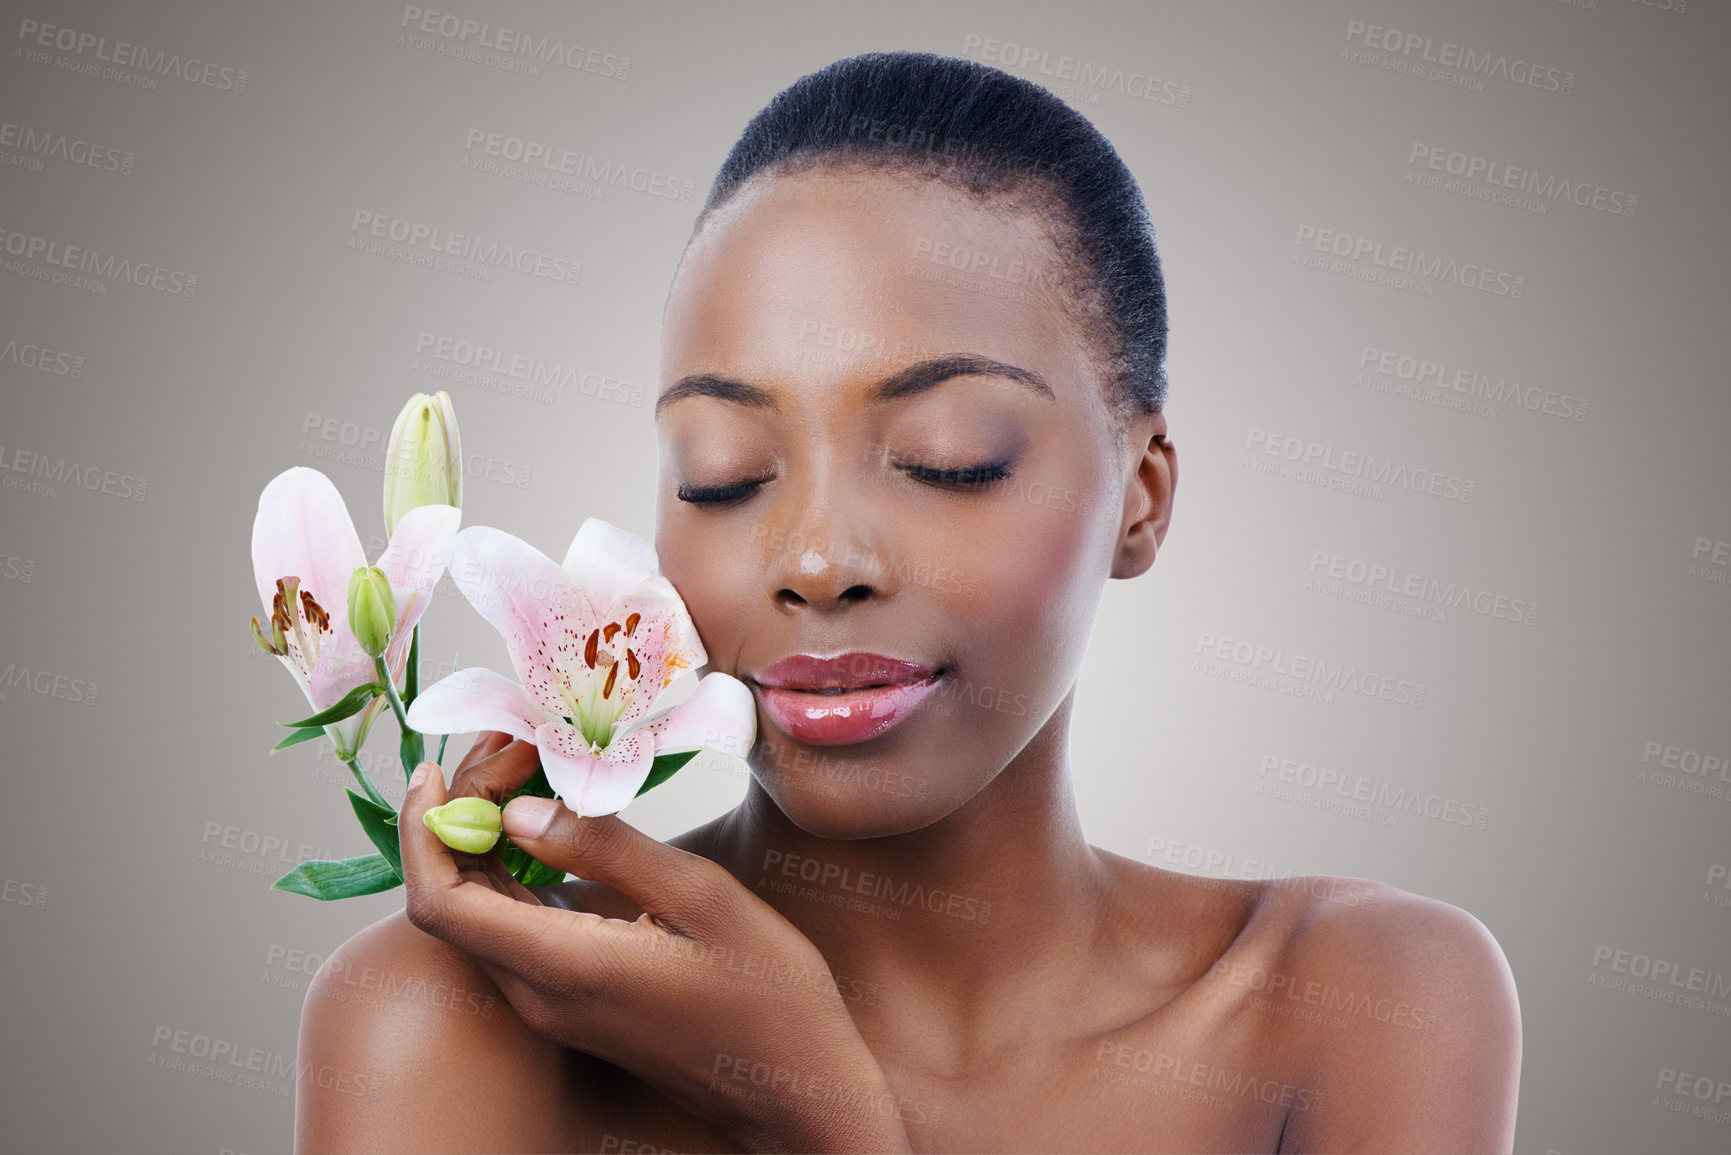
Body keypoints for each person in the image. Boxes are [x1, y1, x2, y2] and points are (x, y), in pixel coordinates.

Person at [296, 51, 1520, 1153]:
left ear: (1141, 500)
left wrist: (816, 1112)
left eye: (952, 456)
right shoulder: (448, 1015)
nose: (819, 560)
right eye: (722, 472)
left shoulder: (1358, 999)